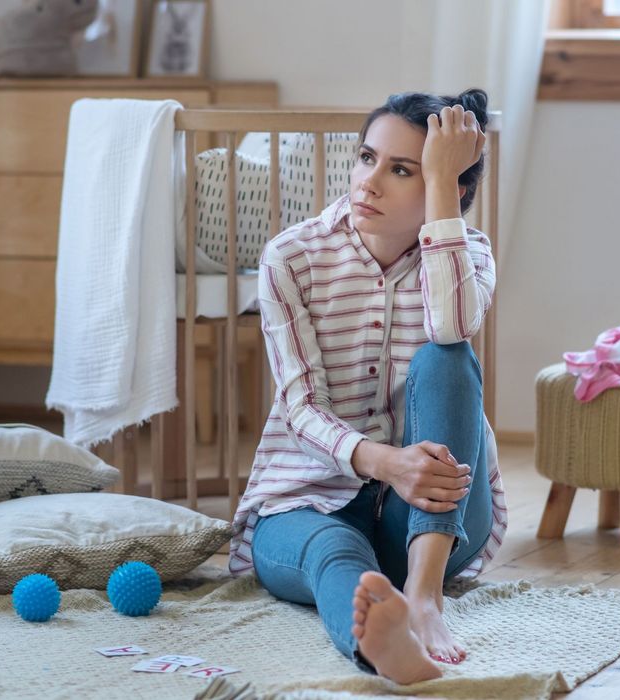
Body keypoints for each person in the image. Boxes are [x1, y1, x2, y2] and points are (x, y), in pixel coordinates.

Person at [227, 89, 507, 685]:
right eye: (366, 158)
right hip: (305, 500)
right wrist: (387, 463)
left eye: (401, 169)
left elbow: (451, 325)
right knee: (333, 554)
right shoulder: (291, 258)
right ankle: (383, 642)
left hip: (434, 517)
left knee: (446, 358)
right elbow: (300, 409)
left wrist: (440, 193)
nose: (369, 183)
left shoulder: (470, 252)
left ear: (446, 187)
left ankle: (425, 597)